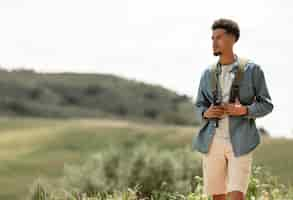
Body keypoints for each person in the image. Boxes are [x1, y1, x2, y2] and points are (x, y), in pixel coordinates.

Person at [191, 18, 274, 200]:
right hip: (212, 143)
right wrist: (206, 113)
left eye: (218, 37)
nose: (213, 42)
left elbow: (266, 104)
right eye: (212, 38)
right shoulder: (207, 73)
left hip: (241, 141)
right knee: (217, 197)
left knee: (237, 195)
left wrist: (244, 110)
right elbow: (199, 105)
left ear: (233, 39)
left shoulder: (253, 70)